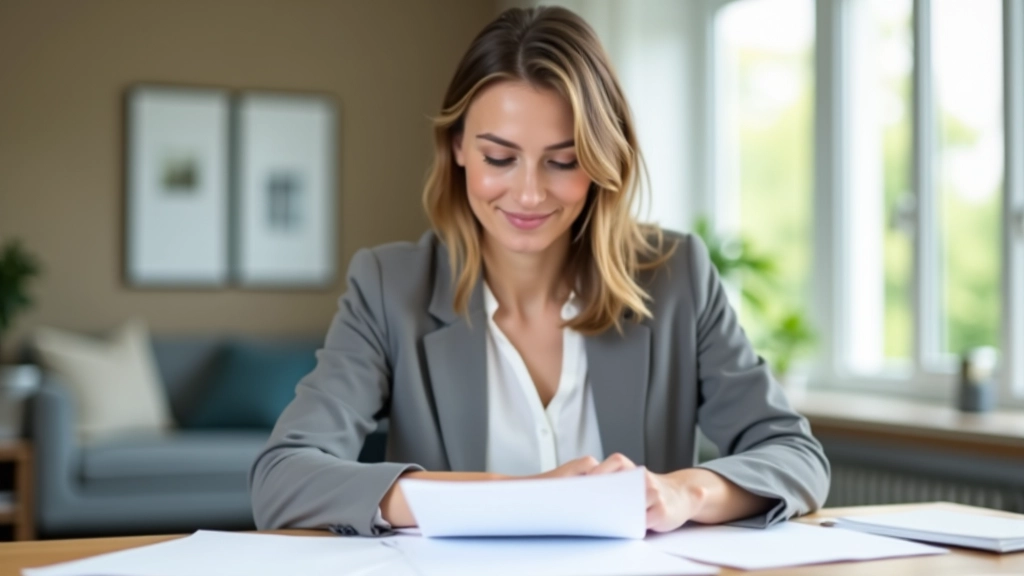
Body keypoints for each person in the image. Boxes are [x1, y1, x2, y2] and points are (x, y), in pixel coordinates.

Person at [249, 5, 829, 537]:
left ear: (602, 159)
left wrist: (684, 491)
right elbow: (283, 477)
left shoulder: (677, 277)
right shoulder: (388, 287)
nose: (528, 194)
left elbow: (795, 456)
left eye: (564, 161)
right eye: (499, 157)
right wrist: (508, 497)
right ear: (457, 147)